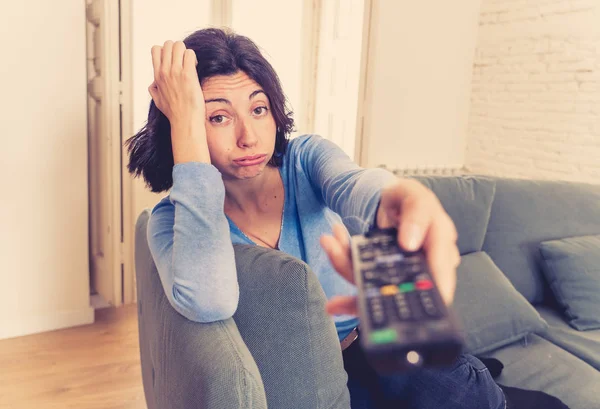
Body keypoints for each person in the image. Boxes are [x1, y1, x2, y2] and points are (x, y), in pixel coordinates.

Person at [125, 28, 505, 409]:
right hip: (308, 382)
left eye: (259, 110)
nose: (249, 137)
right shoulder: (170, 220)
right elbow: (210, 301)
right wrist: (186, 126)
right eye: (218, 117)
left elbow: (355, 183)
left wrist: (396, 196)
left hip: (377, 342)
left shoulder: (305, 159)